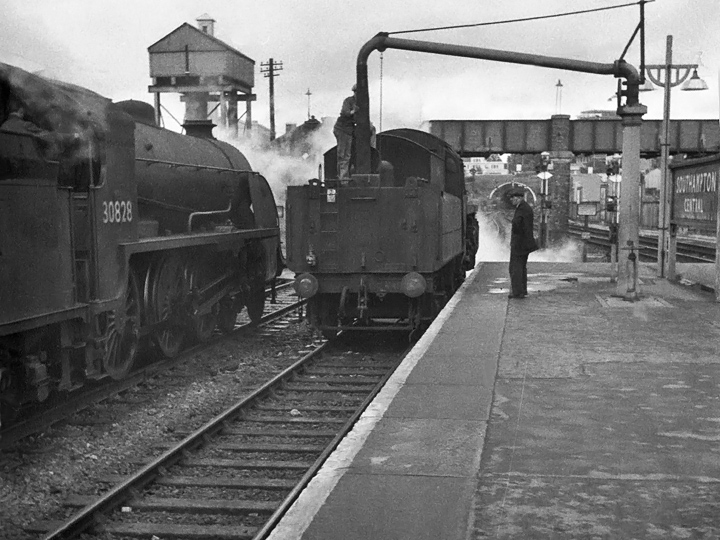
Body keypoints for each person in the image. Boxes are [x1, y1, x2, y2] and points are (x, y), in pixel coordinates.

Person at [508, 187, 537, 299]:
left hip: (520, 243)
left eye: (513, 198)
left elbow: (517, 223)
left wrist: (515, 239)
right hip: (524, 243)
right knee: (521, 267)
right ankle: (522, 290)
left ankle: (517, 292)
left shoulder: (522, 209)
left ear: (519, 198)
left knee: (515, 268)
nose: (511, 200)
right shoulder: (525, 207)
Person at [333, 84, 358, 180]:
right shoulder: (348, 101)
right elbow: (346, 113)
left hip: (349, 131)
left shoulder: (359, 103)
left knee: (347, 155)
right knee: (343, 155)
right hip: (342, 130)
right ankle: (342, 178)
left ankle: (343, 177)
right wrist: (354, 111)